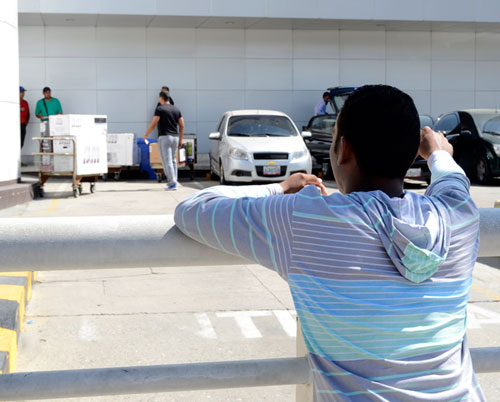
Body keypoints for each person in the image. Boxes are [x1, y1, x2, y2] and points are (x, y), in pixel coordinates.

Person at [174, 85, 485, 401]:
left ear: (343, 149)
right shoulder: (457, 216)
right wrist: (438, 155)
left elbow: (193, 210)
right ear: (410, 154)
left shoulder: (305, 219)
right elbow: (451, 181)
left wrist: (279, 188)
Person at [144, 91, 184, 191]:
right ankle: (174, 181)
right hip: (175, 137)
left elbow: (153, 123)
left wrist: (146, 134)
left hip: (164, 137)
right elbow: (182, 125)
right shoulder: (176, 109)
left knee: (167, 160)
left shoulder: (160, 109)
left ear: (161, 98)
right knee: (174, 160)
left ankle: (172, 183)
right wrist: (180, 139)